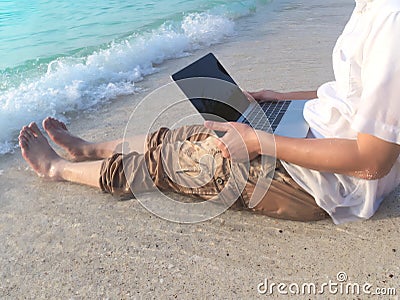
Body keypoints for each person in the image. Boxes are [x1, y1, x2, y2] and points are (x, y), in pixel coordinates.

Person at [19, 0, 400, 224]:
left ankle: (58, 169)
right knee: (197, 131)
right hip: (316, 131)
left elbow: (372, 161)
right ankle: (90, 149)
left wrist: (258, 140)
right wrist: (282, 96)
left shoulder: (391, 20)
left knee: (174, 161)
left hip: (327, 182)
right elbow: (355, 94)